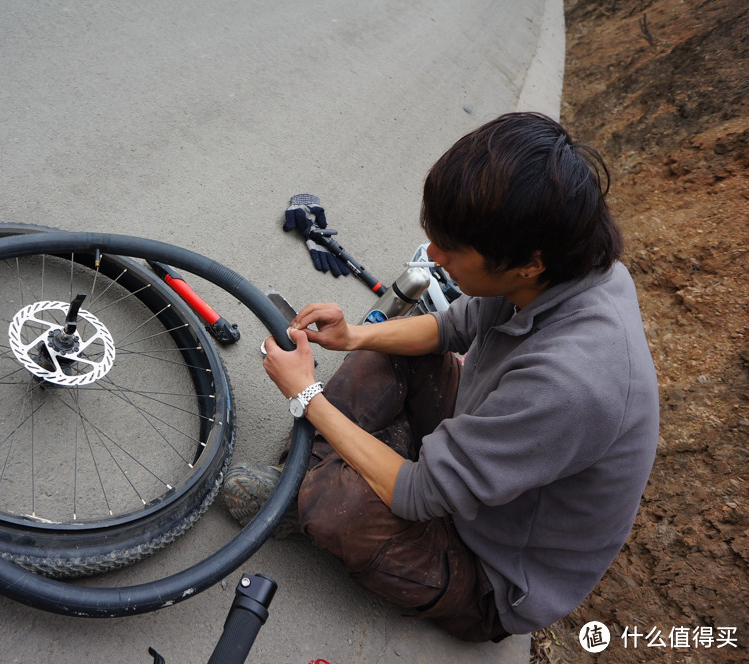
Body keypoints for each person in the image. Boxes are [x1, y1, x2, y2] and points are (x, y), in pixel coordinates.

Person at [222, 112, 659, 642]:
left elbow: (418, 491)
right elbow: (457, 325)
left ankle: (309, 494)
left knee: (341, 511)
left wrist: (306, 395)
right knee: (390, 346)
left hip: (491, 571)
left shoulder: (572, 384)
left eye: (453, 247)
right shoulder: (573, 262)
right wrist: (353, 336)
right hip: (490, 449)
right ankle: (323, 471)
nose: (432, 255)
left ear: (528, 263)